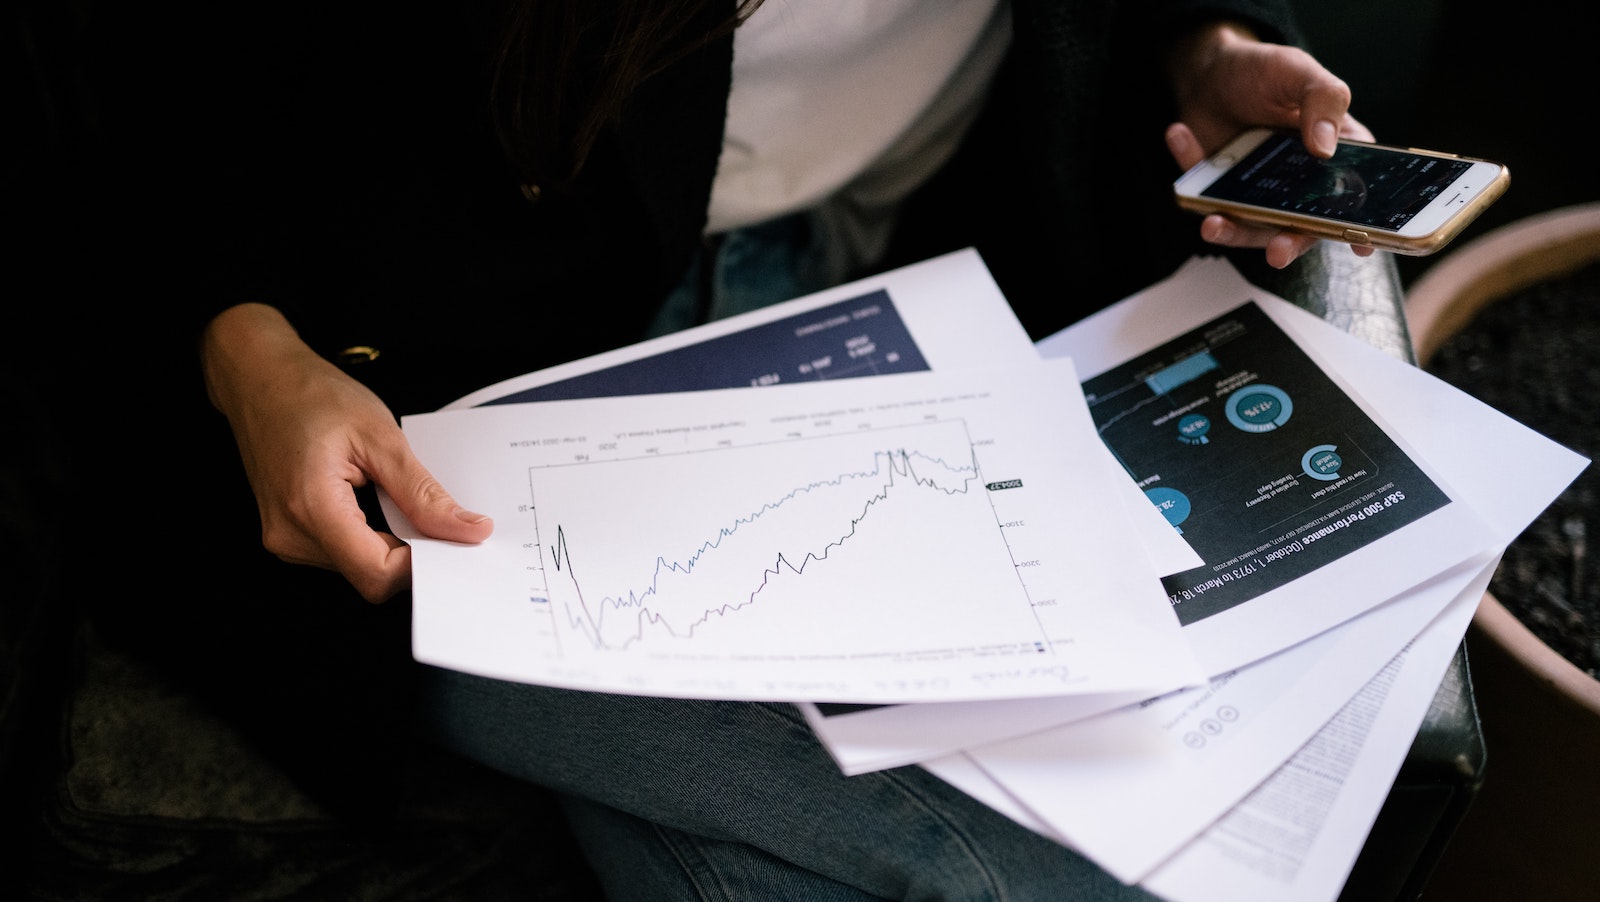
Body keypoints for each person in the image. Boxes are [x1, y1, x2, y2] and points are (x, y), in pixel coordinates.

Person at [83, 0, 1377, 897]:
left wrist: (1204, 47)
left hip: (897, 276)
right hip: (457, 383)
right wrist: (248, 352)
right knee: (1057, 871)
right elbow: (154, 80)